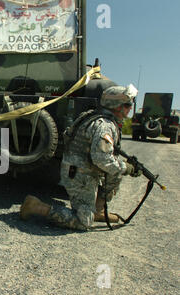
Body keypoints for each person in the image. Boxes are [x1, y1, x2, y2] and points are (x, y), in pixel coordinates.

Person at [20, 85, 142, 231]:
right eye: (127, 105)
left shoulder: (93, 115)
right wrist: (126, 168)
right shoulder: (105, 125)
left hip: (83, 168)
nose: (130, 108)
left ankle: (98, 210)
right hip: (80, 174)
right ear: (116, 106)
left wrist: (121, 168)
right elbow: (102, 159)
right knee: (83, 222)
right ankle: (36, 207)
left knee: (116, 173)